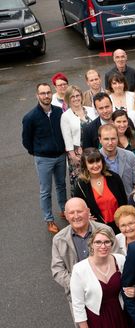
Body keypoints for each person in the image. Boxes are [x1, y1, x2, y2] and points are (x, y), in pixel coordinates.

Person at [52, 198, 120, 328]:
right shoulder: (59, 239)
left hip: (107, 291)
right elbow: (57, 270)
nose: (76, 216)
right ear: (65, 216)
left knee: (113, 327)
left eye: (79, 211)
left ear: (88, 211)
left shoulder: (105, 231)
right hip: (78, 296)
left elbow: (118, 256)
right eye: (71, 213)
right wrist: (77, 286)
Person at [22, 83, 67, 233]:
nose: (46, 96)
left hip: (60, 156)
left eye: (48, 93)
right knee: (45, 191)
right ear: (37, 95)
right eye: (43, 93)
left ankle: (64, 209)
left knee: (61, 185)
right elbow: (26, 140)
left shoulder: (59, 112)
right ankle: (49, 219)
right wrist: (36, 152)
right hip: (43, 159)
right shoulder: (30, 117)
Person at [72, 148, 128, 232]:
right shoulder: (81, 185)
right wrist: (85, 216)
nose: (95, 165)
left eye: (98, 161)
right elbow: (77, 207)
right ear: (85, 165)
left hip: (120, 225)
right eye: (91, 162)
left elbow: (124, 202)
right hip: (97, 228)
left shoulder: (114, 178)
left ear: (102, 162)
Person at [60, 85, 97, 185]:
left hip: (93, 150)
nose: (76, 98)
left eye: (77, 95)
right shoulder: (66, 116)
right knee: (81, 181)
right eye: (72, 97)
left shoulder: (90, 110)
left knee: (95, 178)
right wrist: (73, 156)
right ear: (68, 99)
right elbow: (67, 138)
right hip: (77, 154)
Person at [98, 124, 135, 196]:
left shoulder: (130, 156)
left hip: (127, 202)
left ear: (118, 138)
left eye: (113, 139)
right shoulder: (95, 159)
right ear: (100, 140)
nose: (110, 143)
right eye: (106, 139)